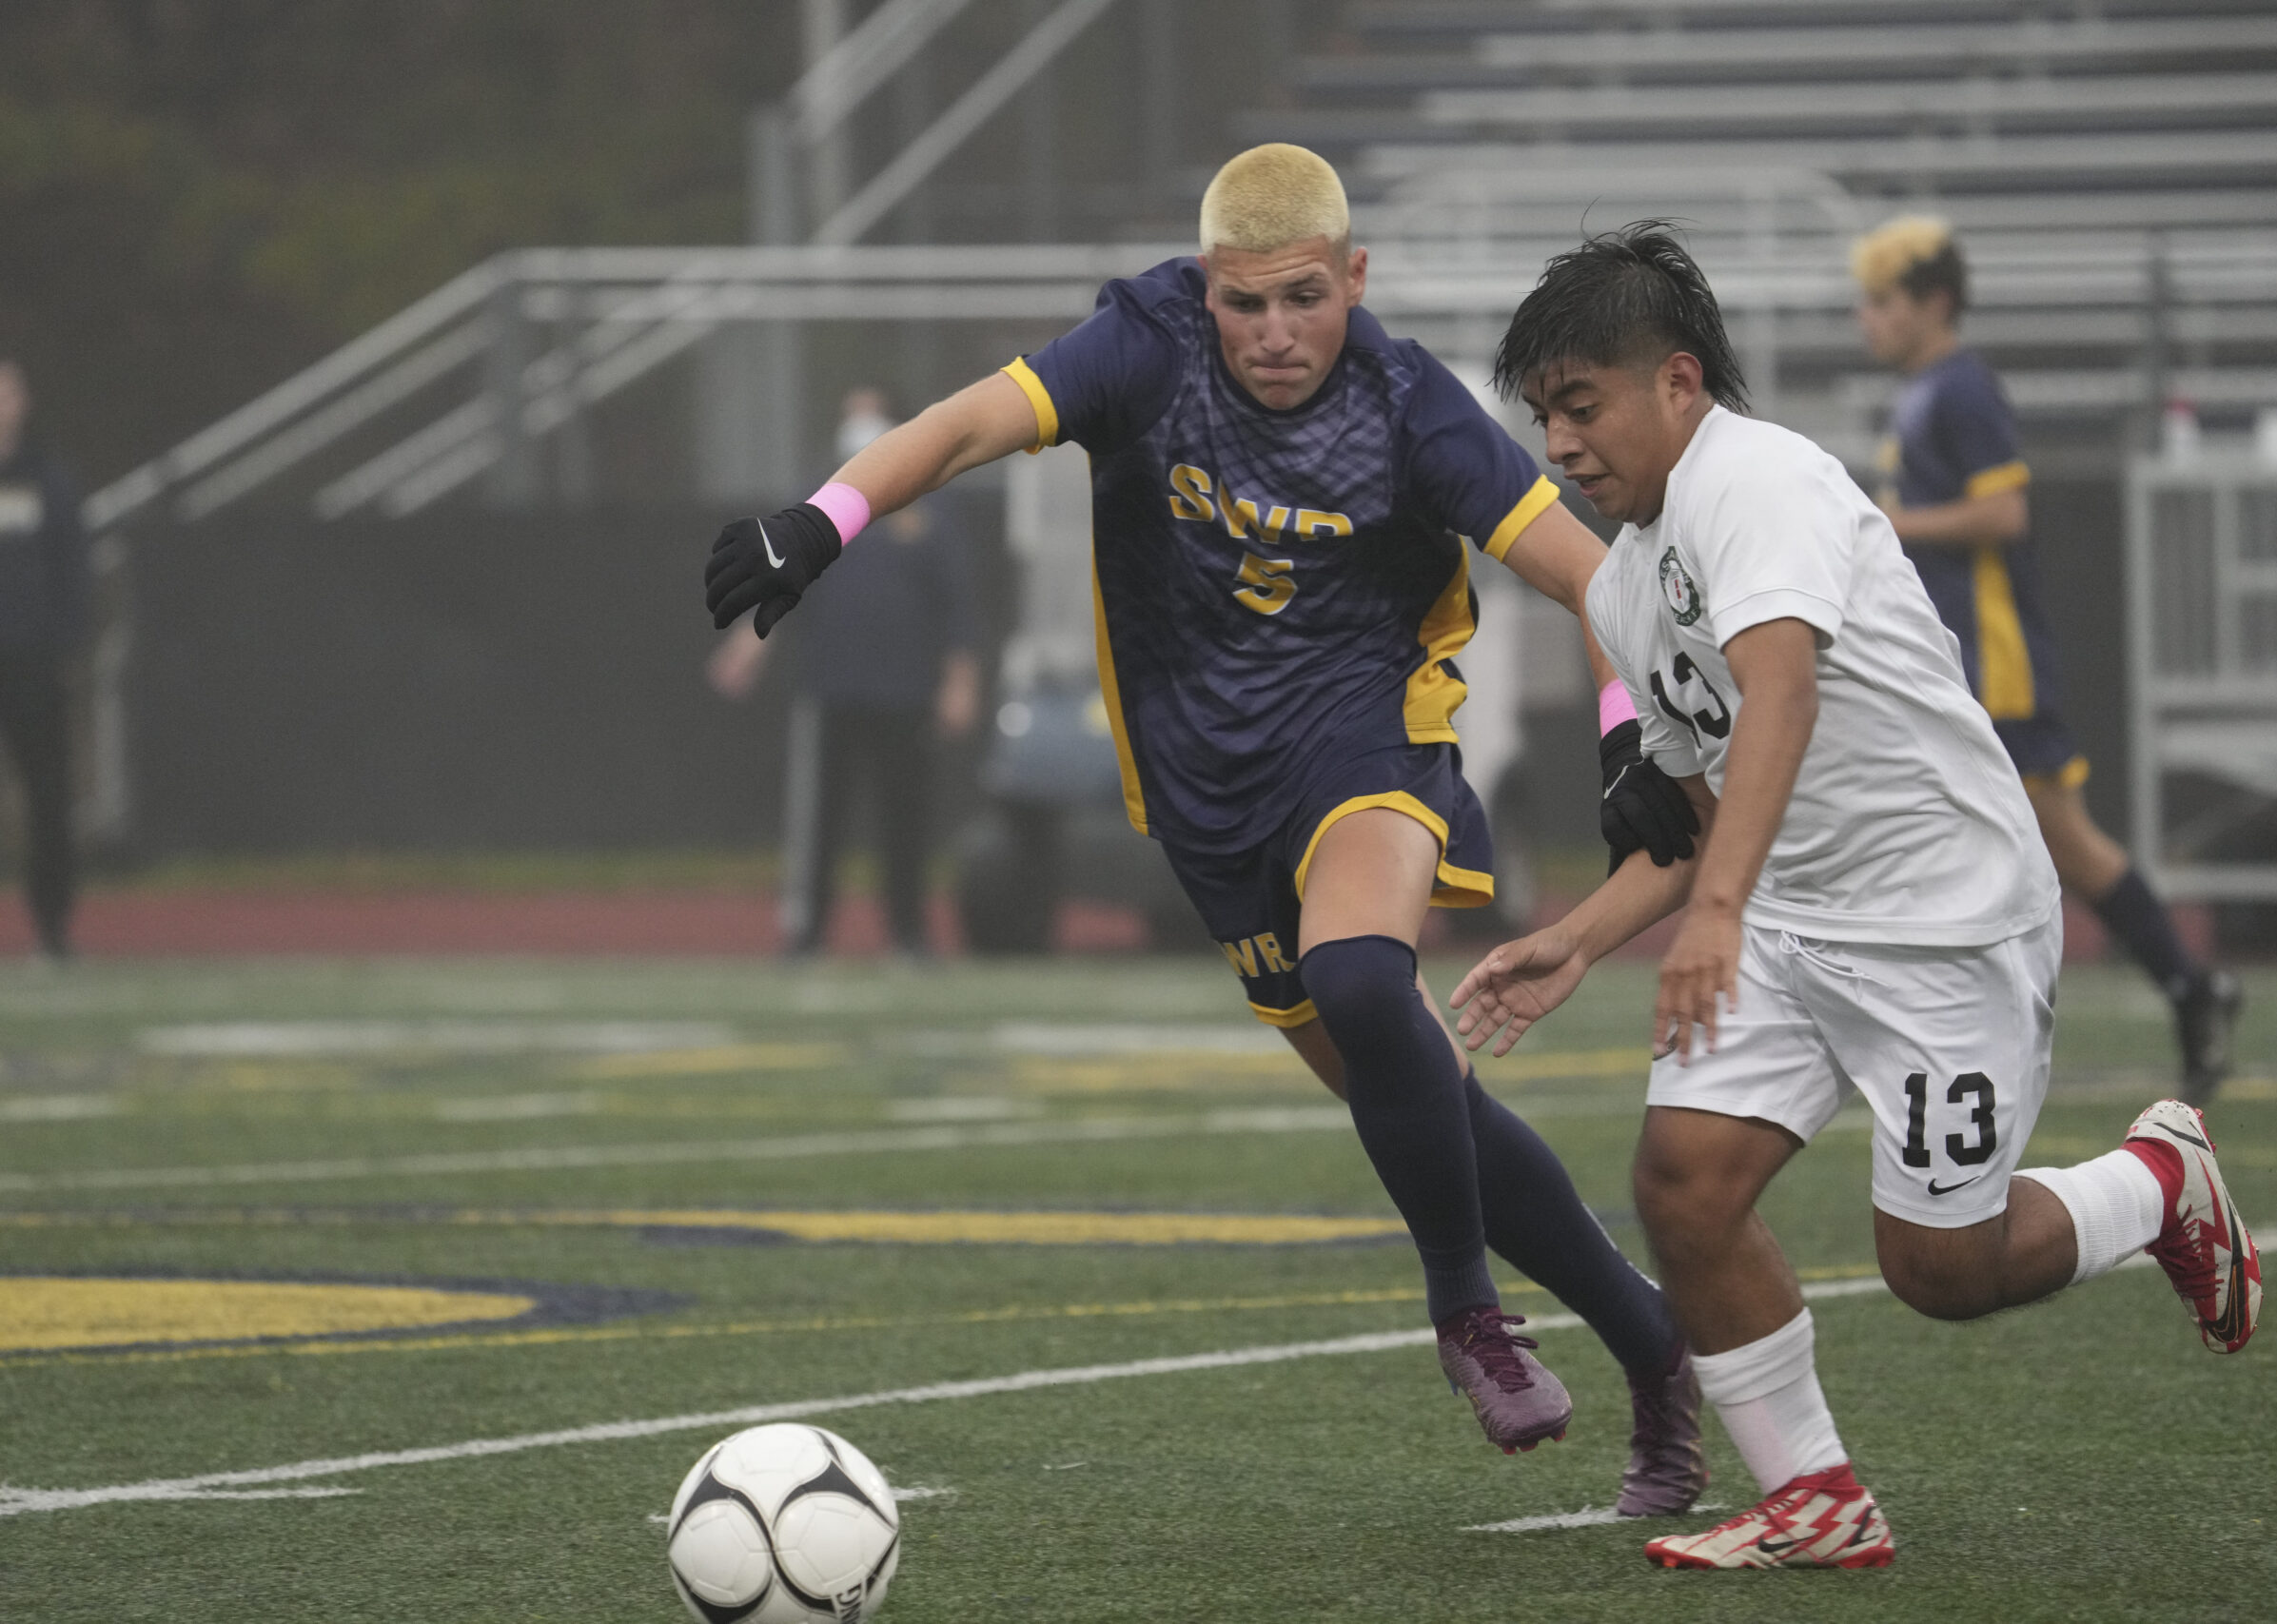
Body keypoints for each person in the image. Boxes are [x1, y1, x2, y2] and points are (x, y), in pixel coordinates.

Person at [704, 145, 1708, 1513]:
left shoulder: (1411, 404)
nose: (1275, 332)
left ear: (1355, 277)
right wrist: (821, 522)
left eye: (1305, 296)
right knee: (1417, 1096)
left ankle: (1468, 1312)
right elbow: (955, 427)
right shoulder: (1146, 342)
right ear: (1204, 287)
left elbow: (1593, 577)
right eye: (1246, 303)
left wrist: (1619, 739)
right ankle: (1655, 1340)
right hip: (1203, 795)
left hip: (1367, 741)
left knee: (1365, 978)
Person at [1451, 225, 2264, 1571]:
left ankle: (2158, 1179)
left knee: (1943, 1271)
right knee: (1685, 1181)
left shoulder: (1754, 477)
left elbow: (1785, 689)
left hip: (1943, 914)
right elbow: (1697, 819)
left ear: (1680, 380)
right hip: (1786, 914)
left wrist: (1713, 913)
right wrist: (1577, 942)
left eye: (1581, 404)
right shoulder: (1631, 582)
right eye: (1544, 416)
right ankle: (1815, 1493)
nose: (1561, 445)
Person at [1851, 217, 2242, 1103]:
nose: (1864, 318)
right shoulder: (1920, 393)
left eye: (1881, 301)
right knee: (2005, 841)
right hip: (1950, 655)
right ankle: (2185, 988)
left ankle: (2184, 987)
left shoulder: (1961, 389)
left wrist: (1889, 525)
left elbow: (2005, 515)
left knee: (2049, 840)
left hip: (1995, 658)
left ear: (1935, 301)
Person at [708, 389, 981, 956]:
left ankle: (908, 935)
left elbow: (955, 599)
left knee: (904, 818)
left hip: (905, 689)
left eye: (870, 413)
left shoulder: (928, 500)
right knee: (819, 821)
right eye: (851, 414)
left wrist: (960, 681)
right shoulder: (820, 496)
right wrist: (749, 645)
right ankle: (807, 935)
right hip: (830, 685)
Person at [0, 360, 87, 961]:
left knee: (49, 795)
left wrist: (61, 645)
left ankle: (52, 927)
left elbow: (72, 572)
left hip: (32, 664)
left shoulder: (50, 483)